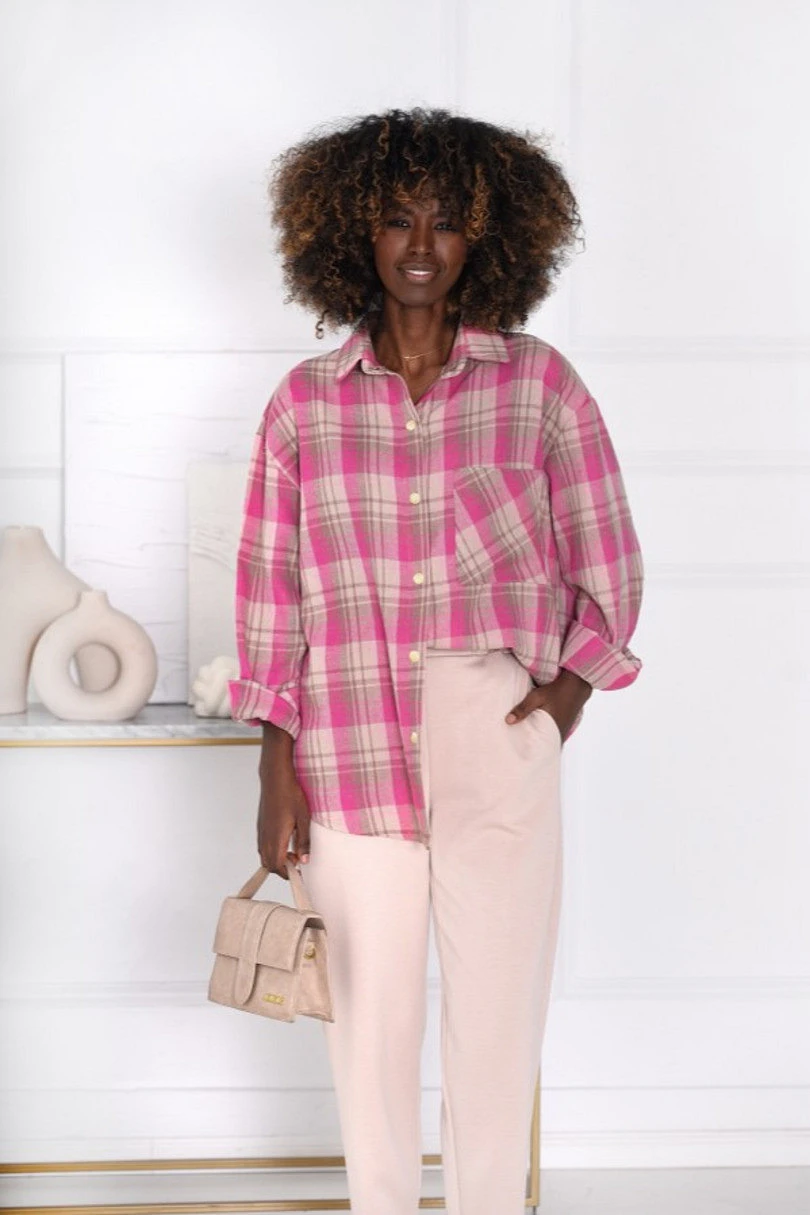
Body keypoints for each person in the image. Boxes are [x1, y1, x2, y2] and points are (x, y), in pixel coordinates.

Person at [228, 107, 644, 1215]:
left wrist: (559, 701)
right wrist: (275, 763)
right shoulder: (304, 406)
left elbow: (609, 560)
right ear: (351, 234)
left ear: (486, 238)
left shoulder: (540, 386)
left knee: (496, 1027)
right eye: (396, 218)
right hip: (347, 739)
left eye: (447, 220)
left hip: (493, 732)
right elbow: (270, 591)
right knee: (369, 1030)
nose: (421, 243)